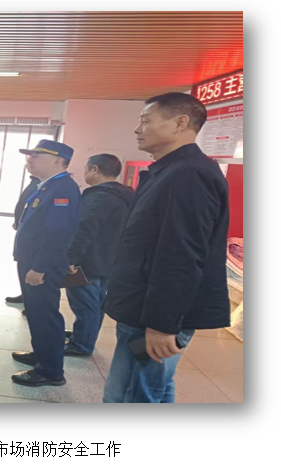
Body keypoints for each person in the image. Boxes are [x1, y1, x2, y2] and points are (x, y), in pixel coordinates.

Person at [102, 92, 230, 403]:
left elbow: (181, 254)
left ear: (180, 123)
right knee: (154, 390)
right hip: (146, 306)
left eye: (146, 121)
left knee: (128, 397)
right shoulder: (170, 171)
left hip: (153, 314)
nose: (137, 129)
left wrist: (161, 324)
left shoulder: (188, 175)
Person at [10, 139, 81, 387]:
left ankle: (50, 371)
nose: (29, 159)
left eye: (36, 155)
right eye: (29, 155)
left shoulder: (62, 189)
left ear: (58, 161)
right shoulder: (48, 186)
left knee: (44, 315)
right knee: (36, 312)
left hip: (41, 264)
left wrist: (39, 267)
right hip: (33, 260)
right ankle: (42, 355)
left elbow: (57, 233)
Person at [64, 154, 134, 357]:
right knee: (96, 302)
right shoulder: (126, 195)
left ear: (94, 169)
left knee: (84, 304)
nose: (85, 173)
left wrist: (70, 258)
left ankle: (82, 344)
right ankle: (85, 335)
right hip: (110, 259)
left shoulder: (99, 197)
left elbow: (84, 229)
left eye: (86, 168)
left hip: (89, 260)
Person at [5, 174, 41, 305]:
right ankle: (26, 295)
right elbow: (24, 204)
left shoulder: (52, 185)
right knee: (24, 266)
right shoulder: (36, 181)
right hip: (25, 231)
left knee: (33, 268)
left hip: (35, 235)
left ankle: (34, 301)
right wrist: (18, 221)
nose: (29, 163)